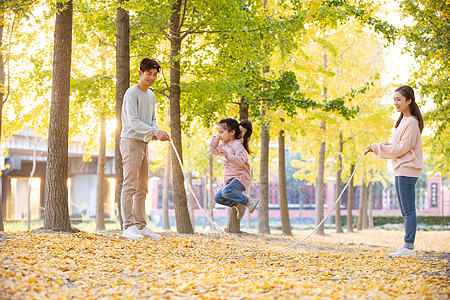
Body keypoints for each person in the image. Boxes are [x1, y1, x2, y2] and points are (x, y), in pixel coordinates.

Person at [365, 85, 423, 257]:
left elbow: (401, 148)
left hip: (407, 169)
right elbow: (395, 145)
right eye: (394, 99)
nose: (396, 103)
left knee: (408, 210)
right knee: (405, 210)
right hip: (400, 169)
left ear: (409, 101)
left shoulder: (412, 122)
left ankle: (409, 246)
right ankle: (407, 246)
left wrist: (379, 148)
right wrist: (375, 147)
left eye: (399, 99)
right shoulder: (401, 122)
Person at [120, 58, 170, 239]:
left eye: (155, 75)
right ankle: (128, 227)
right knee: (130, 185)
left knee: (143, 187)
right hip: (130, 142)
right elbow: (133, 122)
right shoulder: (131, 93)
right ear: (141, 73)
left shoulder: (151, 95)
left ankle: (141, 226)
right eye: (149, 74)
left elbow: (152, 119)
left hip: (144, 142)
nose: (152, 78)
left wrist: (155, 133)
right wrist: (155, 131)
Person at [210, 118, 258, 220]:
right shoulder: (224, 145)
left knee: (226, 191)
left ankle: (248, 202)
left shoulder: (238, 146)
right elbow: (213, 151)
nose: (220, 135)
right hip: (230, 180)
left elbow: (240, 162)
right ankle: (238, 205)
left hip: (241, 178)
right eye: (218, 132)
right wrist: (216, 138)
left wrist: (228, 155)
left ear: (232, 132)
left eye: (221, 132)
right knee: (218, 197)